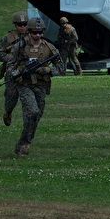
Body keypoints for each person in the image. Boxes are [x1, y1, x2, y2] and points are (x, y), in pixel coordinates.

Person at [7, 17, 64, 157]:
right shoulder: (19, 46)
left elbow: (61, 67)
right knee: (32, 111)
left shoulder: (49, 47)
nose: (37, 35)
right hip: (24, 84)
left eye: (39, 32)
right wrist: (18, 73)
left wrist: (48, 70)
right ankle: (25, 144)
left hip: (41, 85)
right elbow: (10, 66)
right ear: (29, 32)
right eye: (34, 32)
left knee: (36, 116)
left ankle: (23, 142)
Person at [0, 11, 28, 127]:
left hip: (27, 72)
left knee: (28, 99)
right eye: (20, 25)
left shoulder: (32, 36)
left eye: (25, 24)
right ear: (15, 24)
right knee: (11, 99)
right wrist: (13, 57)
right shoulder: (7, 38)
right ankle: (8, 113)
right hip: (12, 72)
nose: (23, 27)